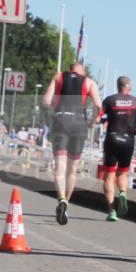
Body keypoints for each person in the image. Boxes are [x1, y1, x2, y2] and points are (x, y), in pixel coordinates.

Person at [42, 62, 102, 225]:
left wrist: (55, 105)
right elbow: (98, 106)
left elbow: (46, 100)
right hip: (79, 123)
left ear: (70, 70)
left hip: (60, 120)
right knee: (72, 170)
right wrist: (93, 121)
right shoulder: (89, 82)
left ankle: (61, 198)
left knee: (59, 167)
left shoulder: (59, 76)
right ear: (82, 71)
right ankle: (65, 204)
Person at [97, 76, 136, 222]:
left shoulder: (109, 100)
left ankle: (112, 211)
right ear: (129, 87)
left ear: (118, 86)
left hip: (112, 139)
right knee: (123, 173)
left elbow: (97, 118)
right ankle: (122, 193)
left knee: (109, 176)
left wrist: (104, 120)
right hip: (128, 140)